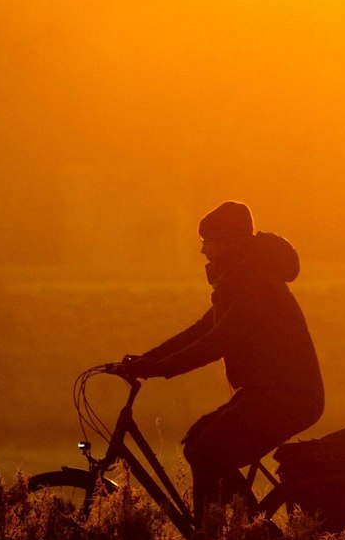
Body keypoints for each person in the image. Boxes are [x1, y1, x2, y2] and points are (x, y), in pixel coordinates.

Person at [115, 201, 324, 520]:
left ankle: (239, 539)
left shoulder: (254, 284)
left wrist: (158, 369)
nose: (202, 251)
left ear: (228, 244)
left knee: (207, 451)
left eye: (207, 242)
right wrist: (147, 360)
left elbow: (218, 341)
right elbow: (201, 330)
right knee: (197, 443)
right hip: (268, 392)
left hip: (288, 396)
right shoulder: (239, 279)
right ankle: (227, 537)